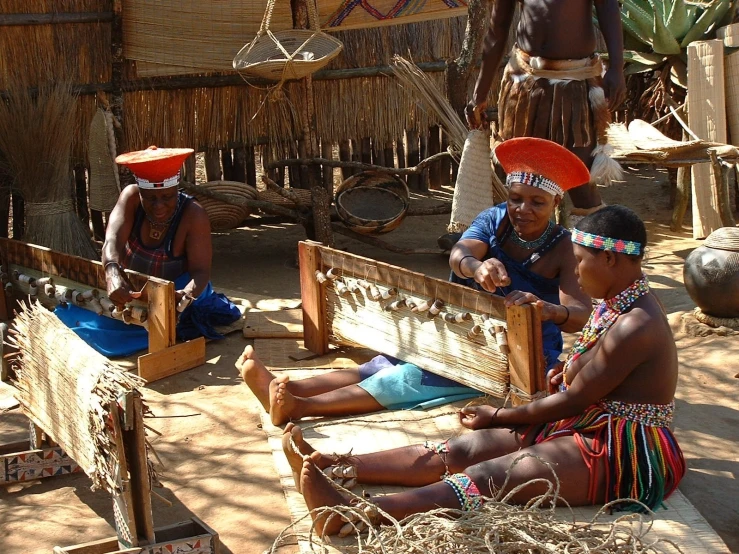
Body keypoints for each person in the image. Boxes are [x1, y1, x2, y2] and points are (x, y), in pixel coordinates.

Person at [283, 204, 687, 535]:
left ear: (611, 259)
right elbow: (587, 370)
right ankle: (334, 464)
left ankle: (359, 513)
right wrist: (566, 366)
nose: (577, 272)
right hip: (588, 419)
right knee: (464, 449)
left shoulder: (637, 324)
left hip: (622, 447)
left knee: (493, 473)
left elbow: (574, 401)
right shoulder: (617, 299)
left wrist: (500, 415)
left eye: (581, 262)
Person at [239, 138, 592, 426]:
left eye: (537, 203)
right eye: (515, 199)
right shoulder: (493, 219)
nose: (522, 209)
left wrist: (548, 310)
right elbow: (459, 254)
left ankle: (300, 408)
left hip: (518, 352)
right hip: (462, 325)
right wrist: (475, 265)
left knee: (406, 379)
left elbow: (579, 314)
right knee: (384, 363)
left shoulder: (564, 247)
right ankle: (287, 387)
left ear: (556, 202)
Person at [55, 146, 241, 356]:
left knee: (123, 334)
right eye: (151, 198)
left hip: (176, 290)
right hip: (133, 290)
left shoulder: (193, 215)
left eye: (167, 197)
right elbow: (112, 240)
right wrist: (113, 273)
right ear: (140, 192)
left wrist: (185, 297)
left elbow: (200, 272)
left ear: (176, 192)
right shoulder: (131, 198)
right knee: (76, 314)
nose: (159, 206)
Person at [465, 0, 626, 222]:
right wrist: (479, 94)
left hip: (576, 81)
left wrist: (617, 67)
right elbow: (497, 30)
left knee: (580, 179)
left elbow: (607, 7)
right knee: (523, 178)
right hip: (524, 84)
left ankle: (591, 251)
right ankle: (527, 250)